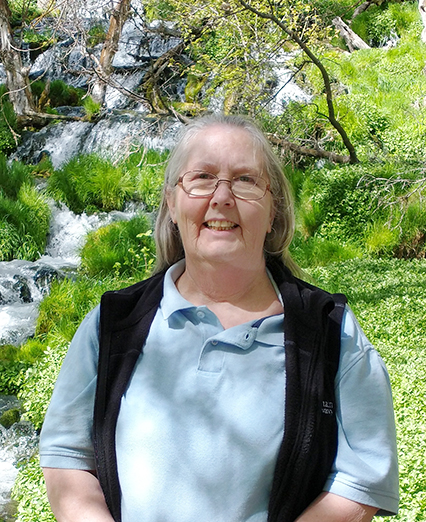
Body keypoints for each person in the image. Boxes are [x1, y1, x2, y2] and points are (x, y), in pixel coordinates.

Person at [40, 114, 399, 522]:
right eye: (202, 178)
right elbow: (67, 456)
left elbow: (359, 481)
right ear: (172, 204)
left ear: (273, 211)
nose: (222, 197)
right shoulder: (113, 324)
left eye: (245, 180)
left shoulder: (331, 332)